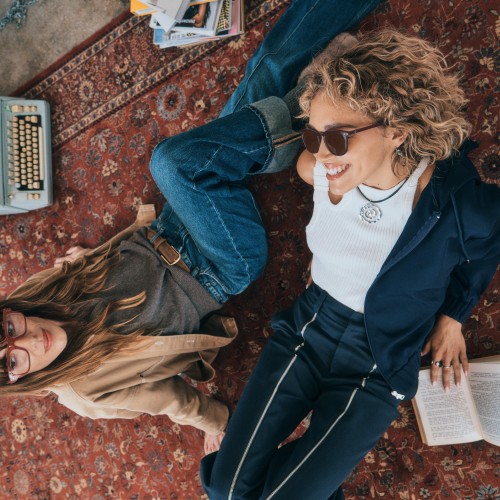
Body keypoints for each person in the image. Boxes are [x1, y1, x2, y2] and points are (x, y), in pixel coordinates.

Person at [0, 0, 382, 457]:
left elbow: (83, 272)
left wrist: (81, 265)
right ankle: (310, 106)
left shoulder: (34, 296)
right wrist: (215, 422)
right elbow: (168, 400)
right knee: (173, 162)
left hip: (171, 224)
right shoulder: (85, 392)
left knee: (263, 74)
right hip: (220, 265)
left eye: (8, 326)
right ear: (15, 379)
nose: (27, 339)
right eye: (12, 359)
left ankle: (310, 101)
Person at [198, 23, 500, 500]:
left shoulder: (454, 205)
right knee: (225, 490)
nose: (322, 155)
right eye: (313, 135)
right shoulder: (314, 169)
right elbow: (311, 160)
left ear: (396, 132)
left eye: (337, 139)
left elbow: (489, 242)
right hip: (306, 329)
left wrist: (454, 316)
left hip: (379, 362)